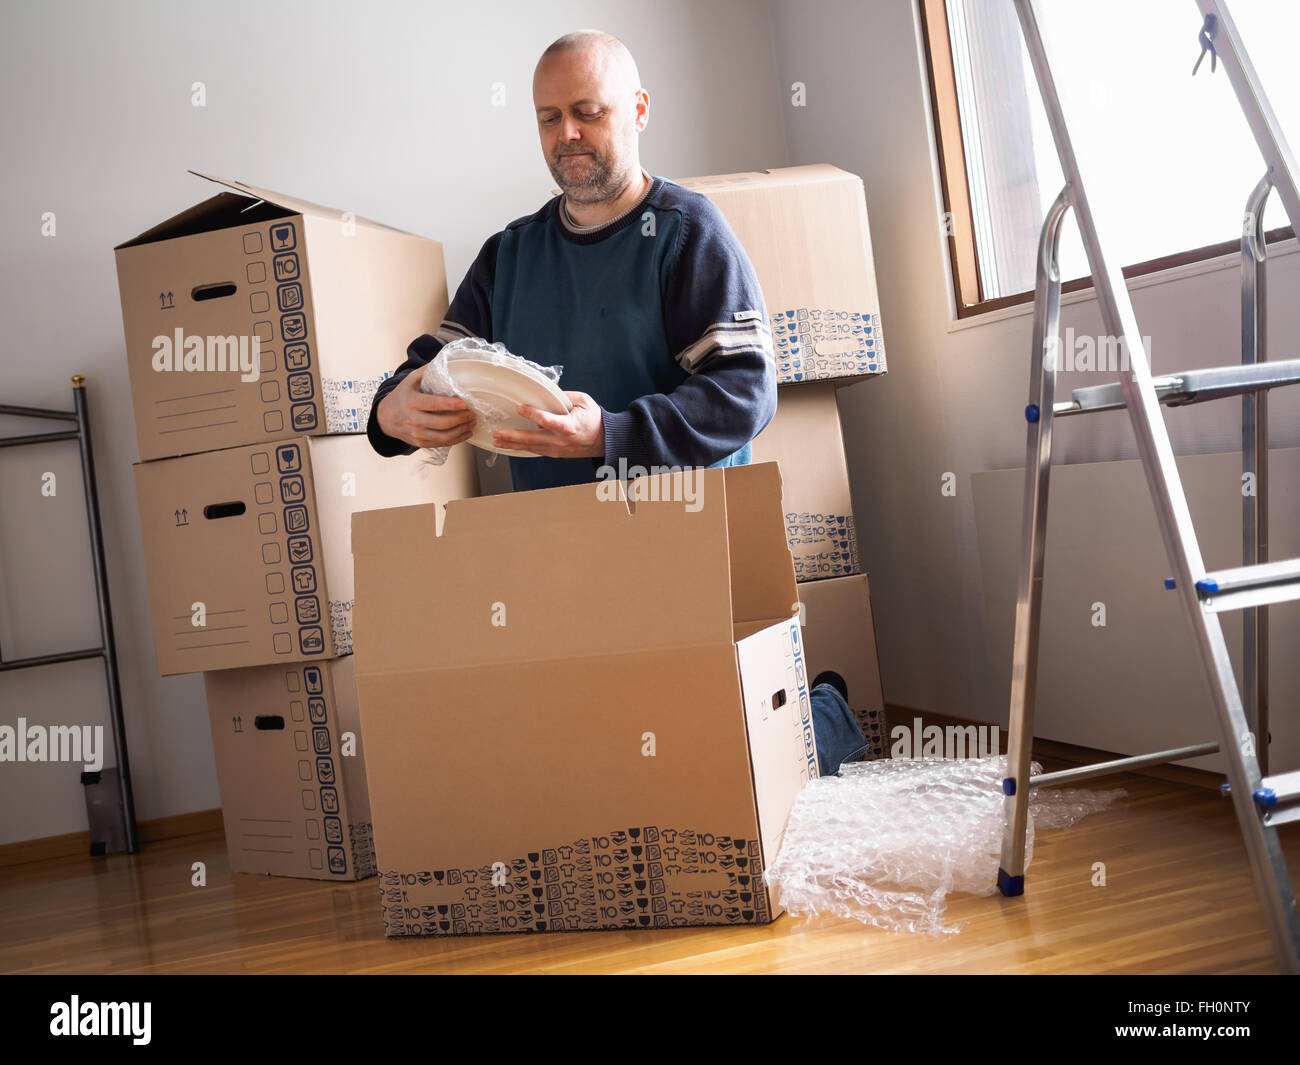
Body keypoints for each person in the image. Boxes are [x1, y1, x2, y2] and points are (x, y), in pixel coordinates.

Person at [366, 28, 868, 774]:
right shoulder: (510, 254)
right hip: (557, 562)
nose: (566, 133)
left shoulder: (689, 233)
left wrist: (611, 433)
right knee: (595, 763)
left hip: (690, 552)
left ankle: (822, 711)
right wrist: (390, 411)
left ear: (636, 109)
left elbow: (746, 392)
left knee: (715, 766)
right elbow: (436, 365)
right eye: (547, 117)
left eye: (587, 111)